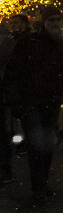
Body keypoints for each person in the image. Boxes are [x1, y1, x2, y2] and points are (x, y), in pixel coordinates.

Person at [7, 6, 63, 205]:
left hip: (51, 101)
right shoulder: (28, 43)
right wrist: (14, 101)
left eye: (58, 20)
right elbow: (13, 72)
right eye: (51, 20)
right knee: (38, 143)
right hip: (30, 101)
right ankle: (39, 188)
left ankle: (41, 183)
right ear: (43, 22)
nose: (55, 24)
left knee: (46, 144)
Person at [0, 15, 15, 185]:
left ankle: (5, 168)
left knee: (2, 132)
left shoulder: (5, 39)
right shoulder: (6, 38)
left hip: (2, 90)